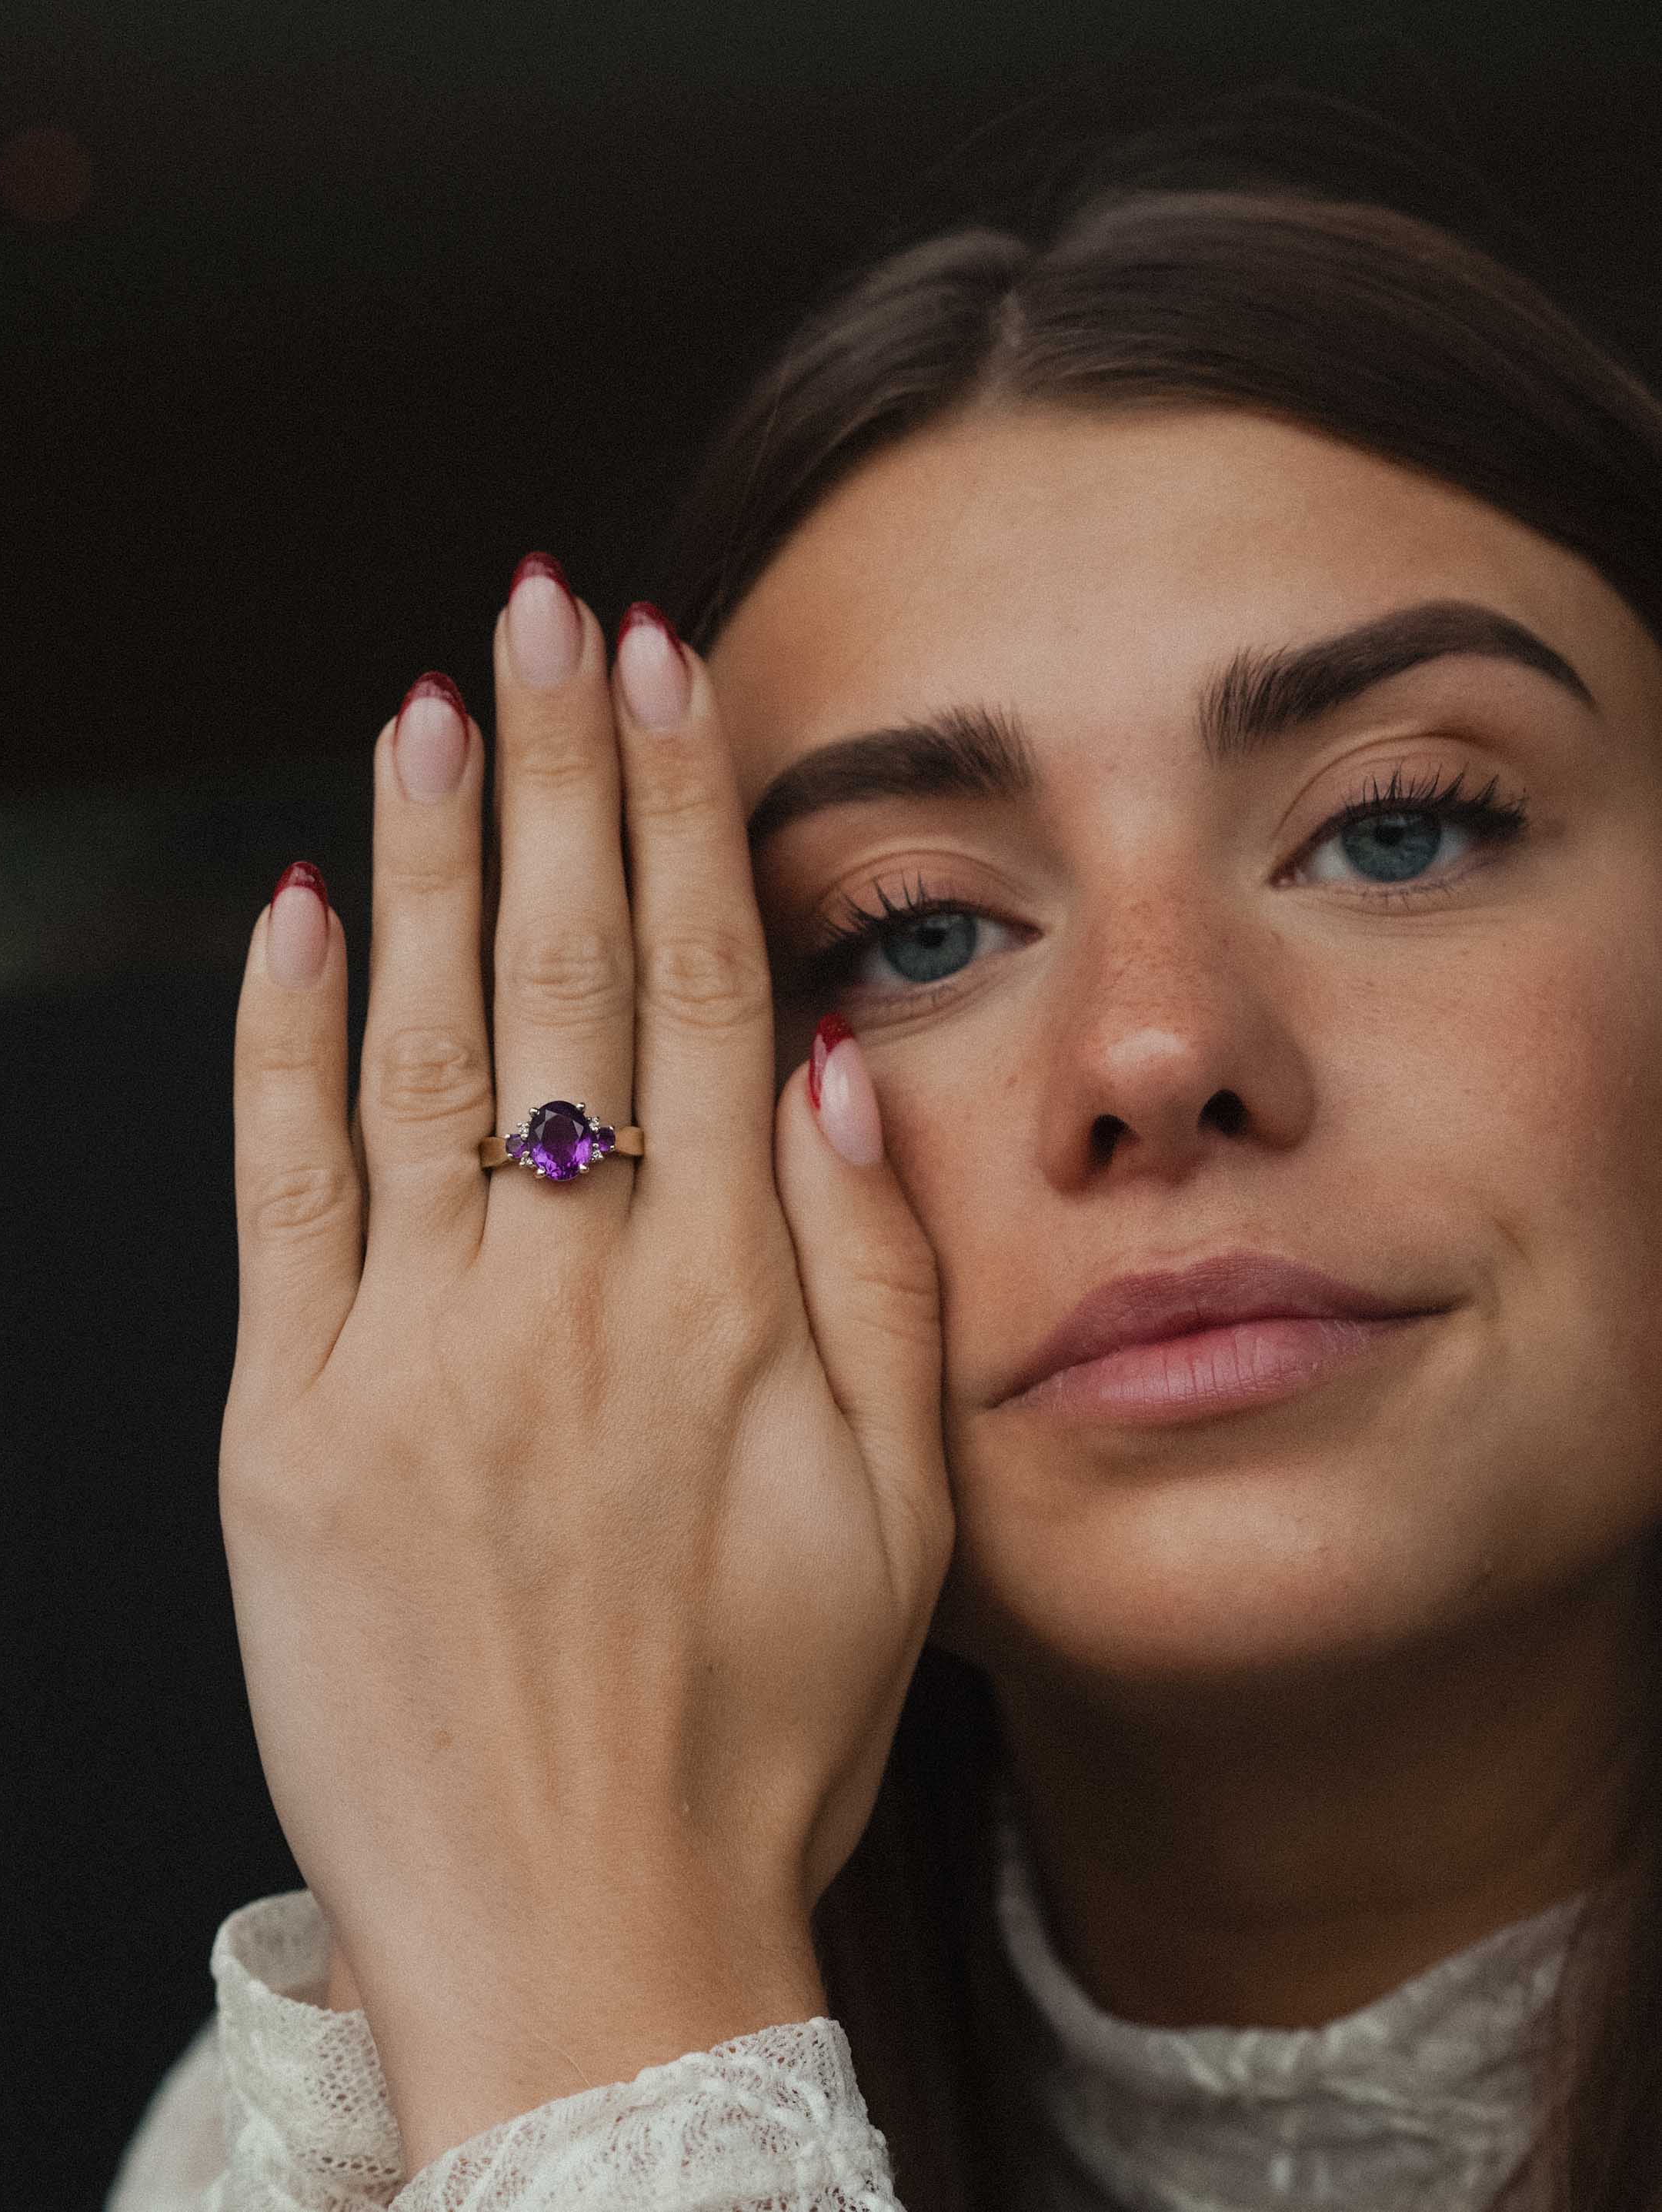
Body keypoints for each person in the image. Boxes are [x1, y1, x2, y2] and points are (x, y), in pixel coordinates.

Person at [104, 95, 1662, 2212]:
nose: (1155, 1047)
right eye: (911, 931)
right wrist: (589, 1986)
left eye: (1397, 822)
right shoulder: (318, 2141)